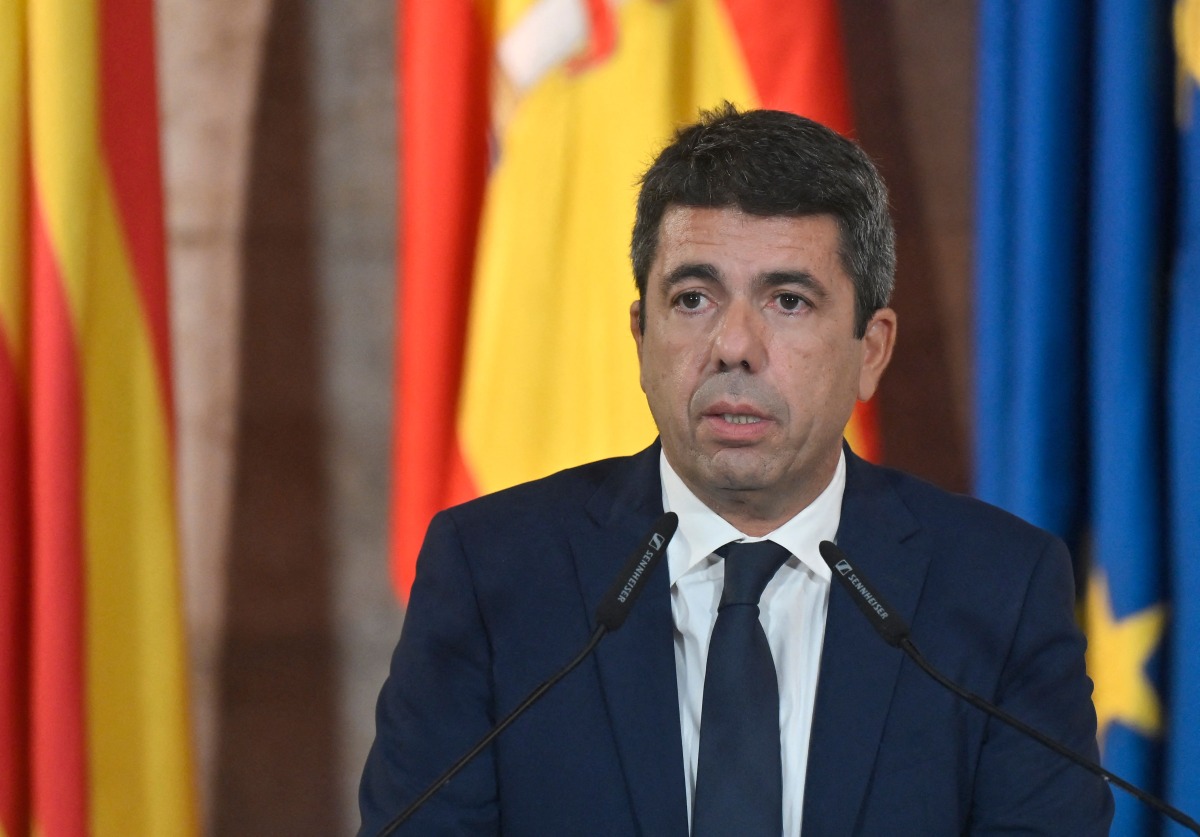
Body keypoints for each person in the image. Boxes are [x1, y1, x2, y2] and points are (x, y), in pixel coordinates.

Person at [359, 104, 1114, 835]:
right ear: (640, 335)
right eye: (693, 298)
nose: (733, 346)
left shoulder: (998, 589)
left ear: (871, 349)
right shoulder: (494, 573)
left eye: (788, 300)